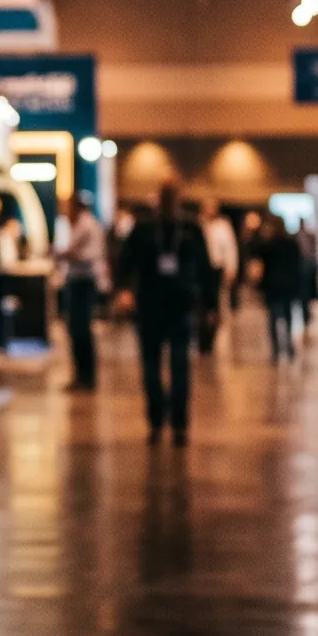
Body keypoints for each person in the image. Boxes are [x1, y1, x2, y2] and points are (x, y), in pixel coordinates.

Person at [114, 184, 212, 445]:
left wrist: (209, 304)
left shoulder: (187, 229)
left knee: (170, 364)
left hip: (173, 304)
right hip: (156, 304)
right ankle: (164, 420)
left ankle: (170, 421)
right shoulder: (148, 229)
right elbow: (125, 263)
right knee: (159, 365)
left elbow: (204, 267)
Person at [55, 193, 110, 390]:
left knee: (80, 330)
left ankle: (85, 377)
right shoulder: (82, 224)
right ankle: (83, 375)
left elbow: (81, 254)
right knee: (77, 330)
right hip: (79, 281)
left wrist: (61, 254)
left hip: (83, 282)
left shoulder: (86, 225)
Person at [255, 218, 305, 360]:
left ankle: (277, 350)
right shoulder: (291, 244)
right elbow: (298, 266)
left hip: (274, 286)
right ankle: (289, 347)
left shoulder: (270, 244)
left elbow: (256, 253)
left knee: (274, 318)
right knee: (287, 318)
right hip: (288, 286)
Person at [197, 198, 237, 353]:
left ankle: (211, 336)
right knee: (200, 305)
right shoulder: (198, 224)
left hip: (216, 269)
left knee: (214, 305)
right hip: (200, 269)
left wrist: (231, 267)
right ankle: (201, 337)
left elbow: (230, 248)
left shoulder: (223, 226)